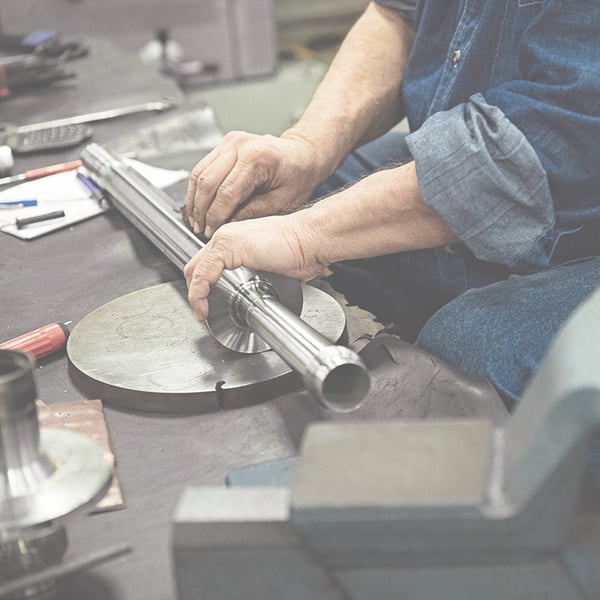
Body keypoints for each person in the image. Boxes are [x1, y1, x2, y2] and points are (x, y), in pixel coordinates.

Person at [183, 0, 600, 410]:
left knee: (467, 361)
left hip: (574, 209)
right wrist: (307, 146)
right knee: (266, 201)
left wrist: (305, 237)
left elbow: (545, 145)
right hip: (485, 148)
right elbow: (397, 14)